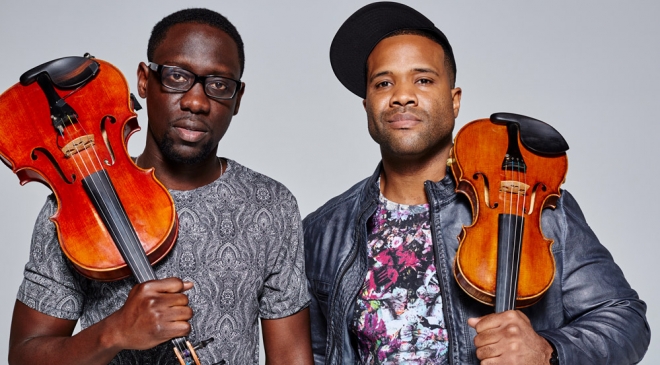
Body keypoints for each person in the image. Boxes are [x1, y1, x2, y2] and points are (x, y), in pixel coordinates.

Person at [303, 2, 650, 365]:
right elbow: (317, 353)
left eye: (423, 79)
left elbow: (625, 318)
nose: (401, 96)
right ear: (368, 106)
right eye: (383, 83)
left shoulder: (530, 205)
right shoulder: (323, 231)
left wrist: (550, 351)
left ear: (454, 102)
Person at [8, 8, 312, 365]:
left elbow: (291, 357)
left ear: (238, 98)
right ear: (143, 80)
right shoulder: (74, 208)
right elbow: (24, 355)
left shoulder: (271, 205)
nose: (196, 102)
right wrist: (115, 331)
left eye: (218, 85)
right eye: (177, 77)